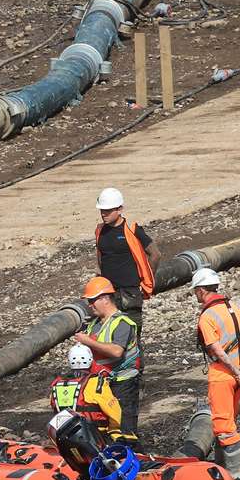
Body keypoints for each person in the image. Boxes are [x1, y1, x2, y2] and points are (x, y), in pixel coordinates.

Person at [193, 267, 240, 479]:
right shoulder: (236, 309)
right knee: (230, 419)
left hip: (224, 375)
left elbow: (216, 349)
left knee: (223, 424)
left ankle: (234, 473)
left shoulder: (207, 316)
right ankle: (222, 467)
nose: (196, 295)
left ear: (201, 290)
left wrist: (235, 372)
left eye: (196, 291)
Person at [73, 276, 143, 437]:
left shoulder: (122, 322)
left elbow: (116, 351)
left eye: (92, 300)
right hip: (101, 385)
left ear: (105, 299)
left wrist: (88, 341)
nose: (90, 305)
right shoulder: (94, 324)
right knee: (103, 430)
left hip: (123, 385)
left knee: (124, 431)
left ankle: (134, 458)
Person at [93, 188, 155, 333]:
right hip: (108, 294)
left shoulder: (132, 229)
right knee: (110, 336)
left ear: (120, 209)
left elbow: (155, 254)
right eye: (102, 210)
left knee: (131, 337)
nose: (103, 214)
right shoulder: (100, 230)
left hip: (130, 294)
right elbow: (100, 256)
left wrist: (146, 281)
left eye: (108, 210)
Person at [49, 343, 136, 445]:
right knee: (132, 442)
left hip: (65, 436)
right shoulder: (96, 382)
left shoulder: (57, 385)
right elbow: (114, 412)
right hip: (95, 435)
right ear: (90, 360)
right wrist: (114, 431)